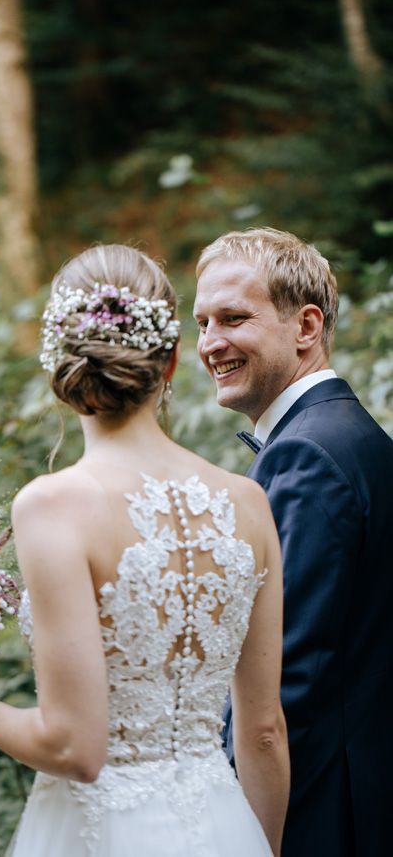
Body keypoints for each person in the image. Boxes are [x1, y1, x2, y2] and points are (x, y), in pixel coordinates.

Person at [0, 244, 289, 857]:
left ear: (56, 363)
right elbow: (263, 734)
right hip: (226, 827)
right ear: (172, 361)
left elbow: (74, 750)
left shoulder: (54, 505)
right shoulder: (247, 502)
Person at [193, 227, 393, 857]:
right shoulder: (350, 436)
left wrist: (242, 831)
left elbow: (284, 686)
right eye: (201, 323)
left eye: (233, 318)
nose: (209, 344)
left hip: (320, 817)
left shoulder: (307, 455)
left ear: (306, 328)